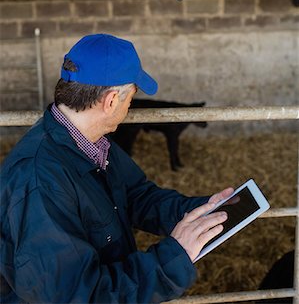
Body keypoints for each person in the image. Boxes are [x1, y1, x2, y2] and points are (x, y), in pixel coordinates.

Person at [1, 34, 232, 304]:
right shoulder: (39, 180)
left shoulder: (93, 143)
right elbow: (76, 295)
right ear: (111, 101)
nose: (130, 107)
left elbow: (137, 195)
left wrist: (201, 212)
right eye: (131, 98)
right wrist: (172, 258)